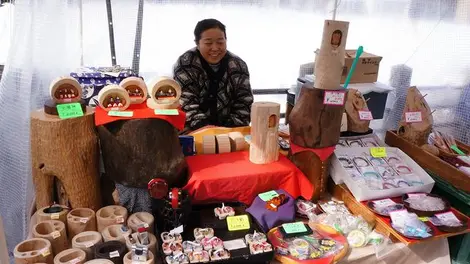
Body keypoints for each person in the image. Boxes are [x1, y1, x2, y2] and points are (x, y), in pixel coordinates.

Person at [173, 18, 254, 132]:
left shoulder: (238, 65)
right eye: (208, 43)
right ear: (197, 43)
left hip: (231, 132)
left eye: (220, 42)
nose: (215, 48)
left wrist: (227, 130)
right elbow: (185, 103)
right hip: (193, 131)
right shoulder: (186, 63)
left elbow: (245, 103)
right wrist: (208, 130)